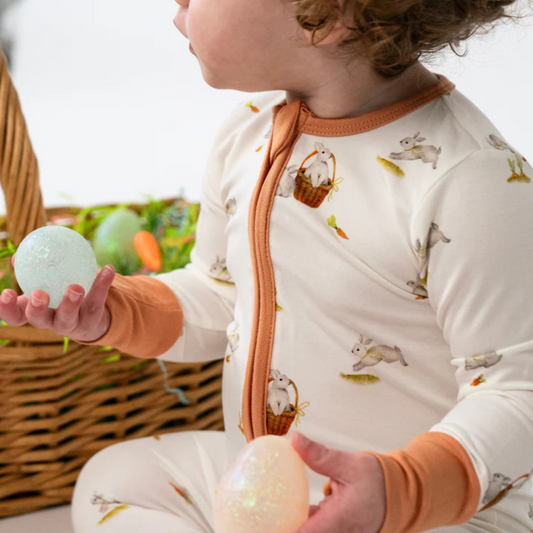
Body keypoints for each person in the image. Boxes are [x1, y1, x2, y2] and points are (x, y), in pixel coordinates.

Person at [2, 0, 533, 531]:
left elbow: (517, 392)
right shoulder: (248, 134)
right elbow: (221, 297)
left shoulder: (471, 180)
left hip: (430, 512)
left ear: (326, 16)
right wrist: (113, 310)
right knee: (113, 481)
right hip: (265, 486)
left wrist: (400, 492)